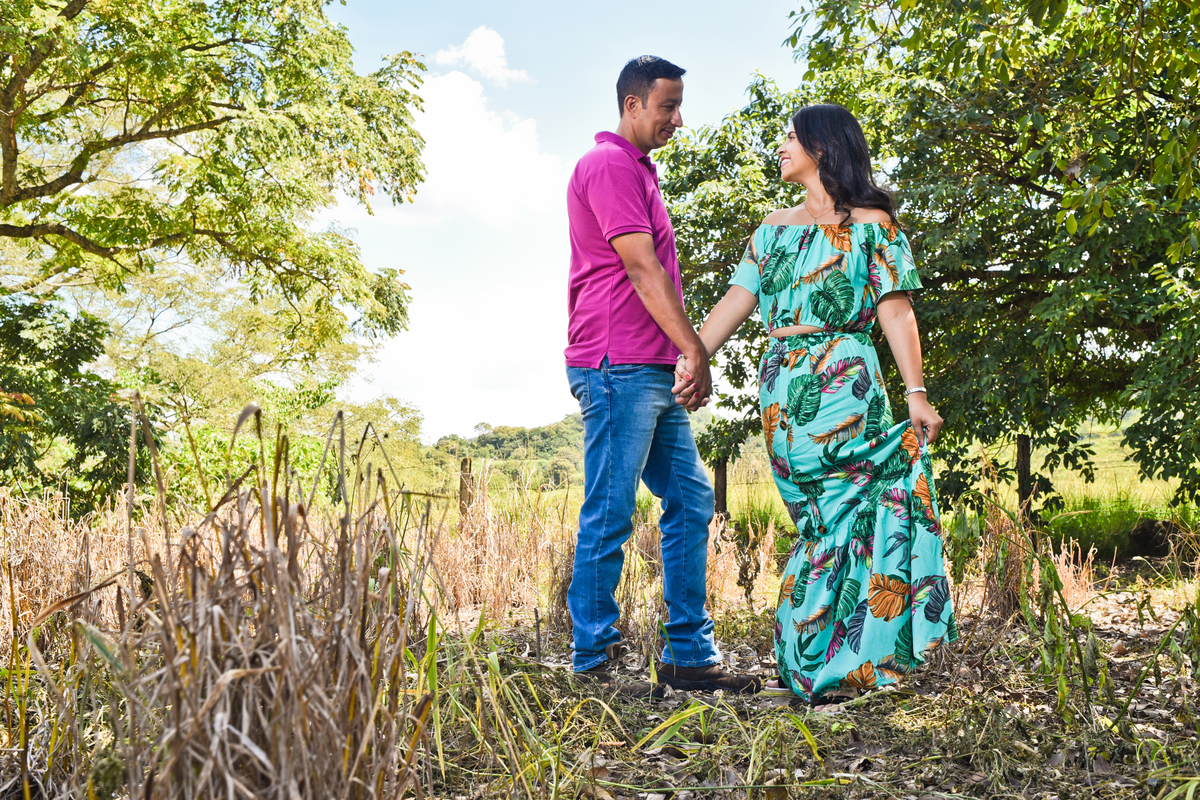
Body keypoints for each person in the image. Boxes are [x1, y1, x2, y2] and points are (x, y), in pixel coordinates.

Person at [673, 104, 957, 707]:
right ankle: (826, 657)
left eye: (790, 137)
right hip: (783, 391)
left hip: (846, 380)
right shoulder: (770, 229)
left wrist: (916, 394)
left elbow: (896, 312)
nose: (779, 145)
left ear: (822, 149)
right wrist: (692, 354)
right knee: (818, 519)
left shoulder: (873, 225)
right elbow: (734, 302)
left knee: (864, 503)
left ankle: (855, 660)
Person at [564, 55, 759, 697]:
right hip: (617, 363)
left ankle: (687, 654)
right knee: (611, 510)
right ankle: (593, 661)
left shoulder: (638, 170)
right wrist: (695, 352)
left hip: (647, 364)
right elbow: (643, 270)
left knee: (692, 498)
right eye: (667, 106)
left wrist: (679, 352)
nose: (678, 119)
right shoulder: (608, 165)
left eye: (679, 106)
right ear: (631, 105)